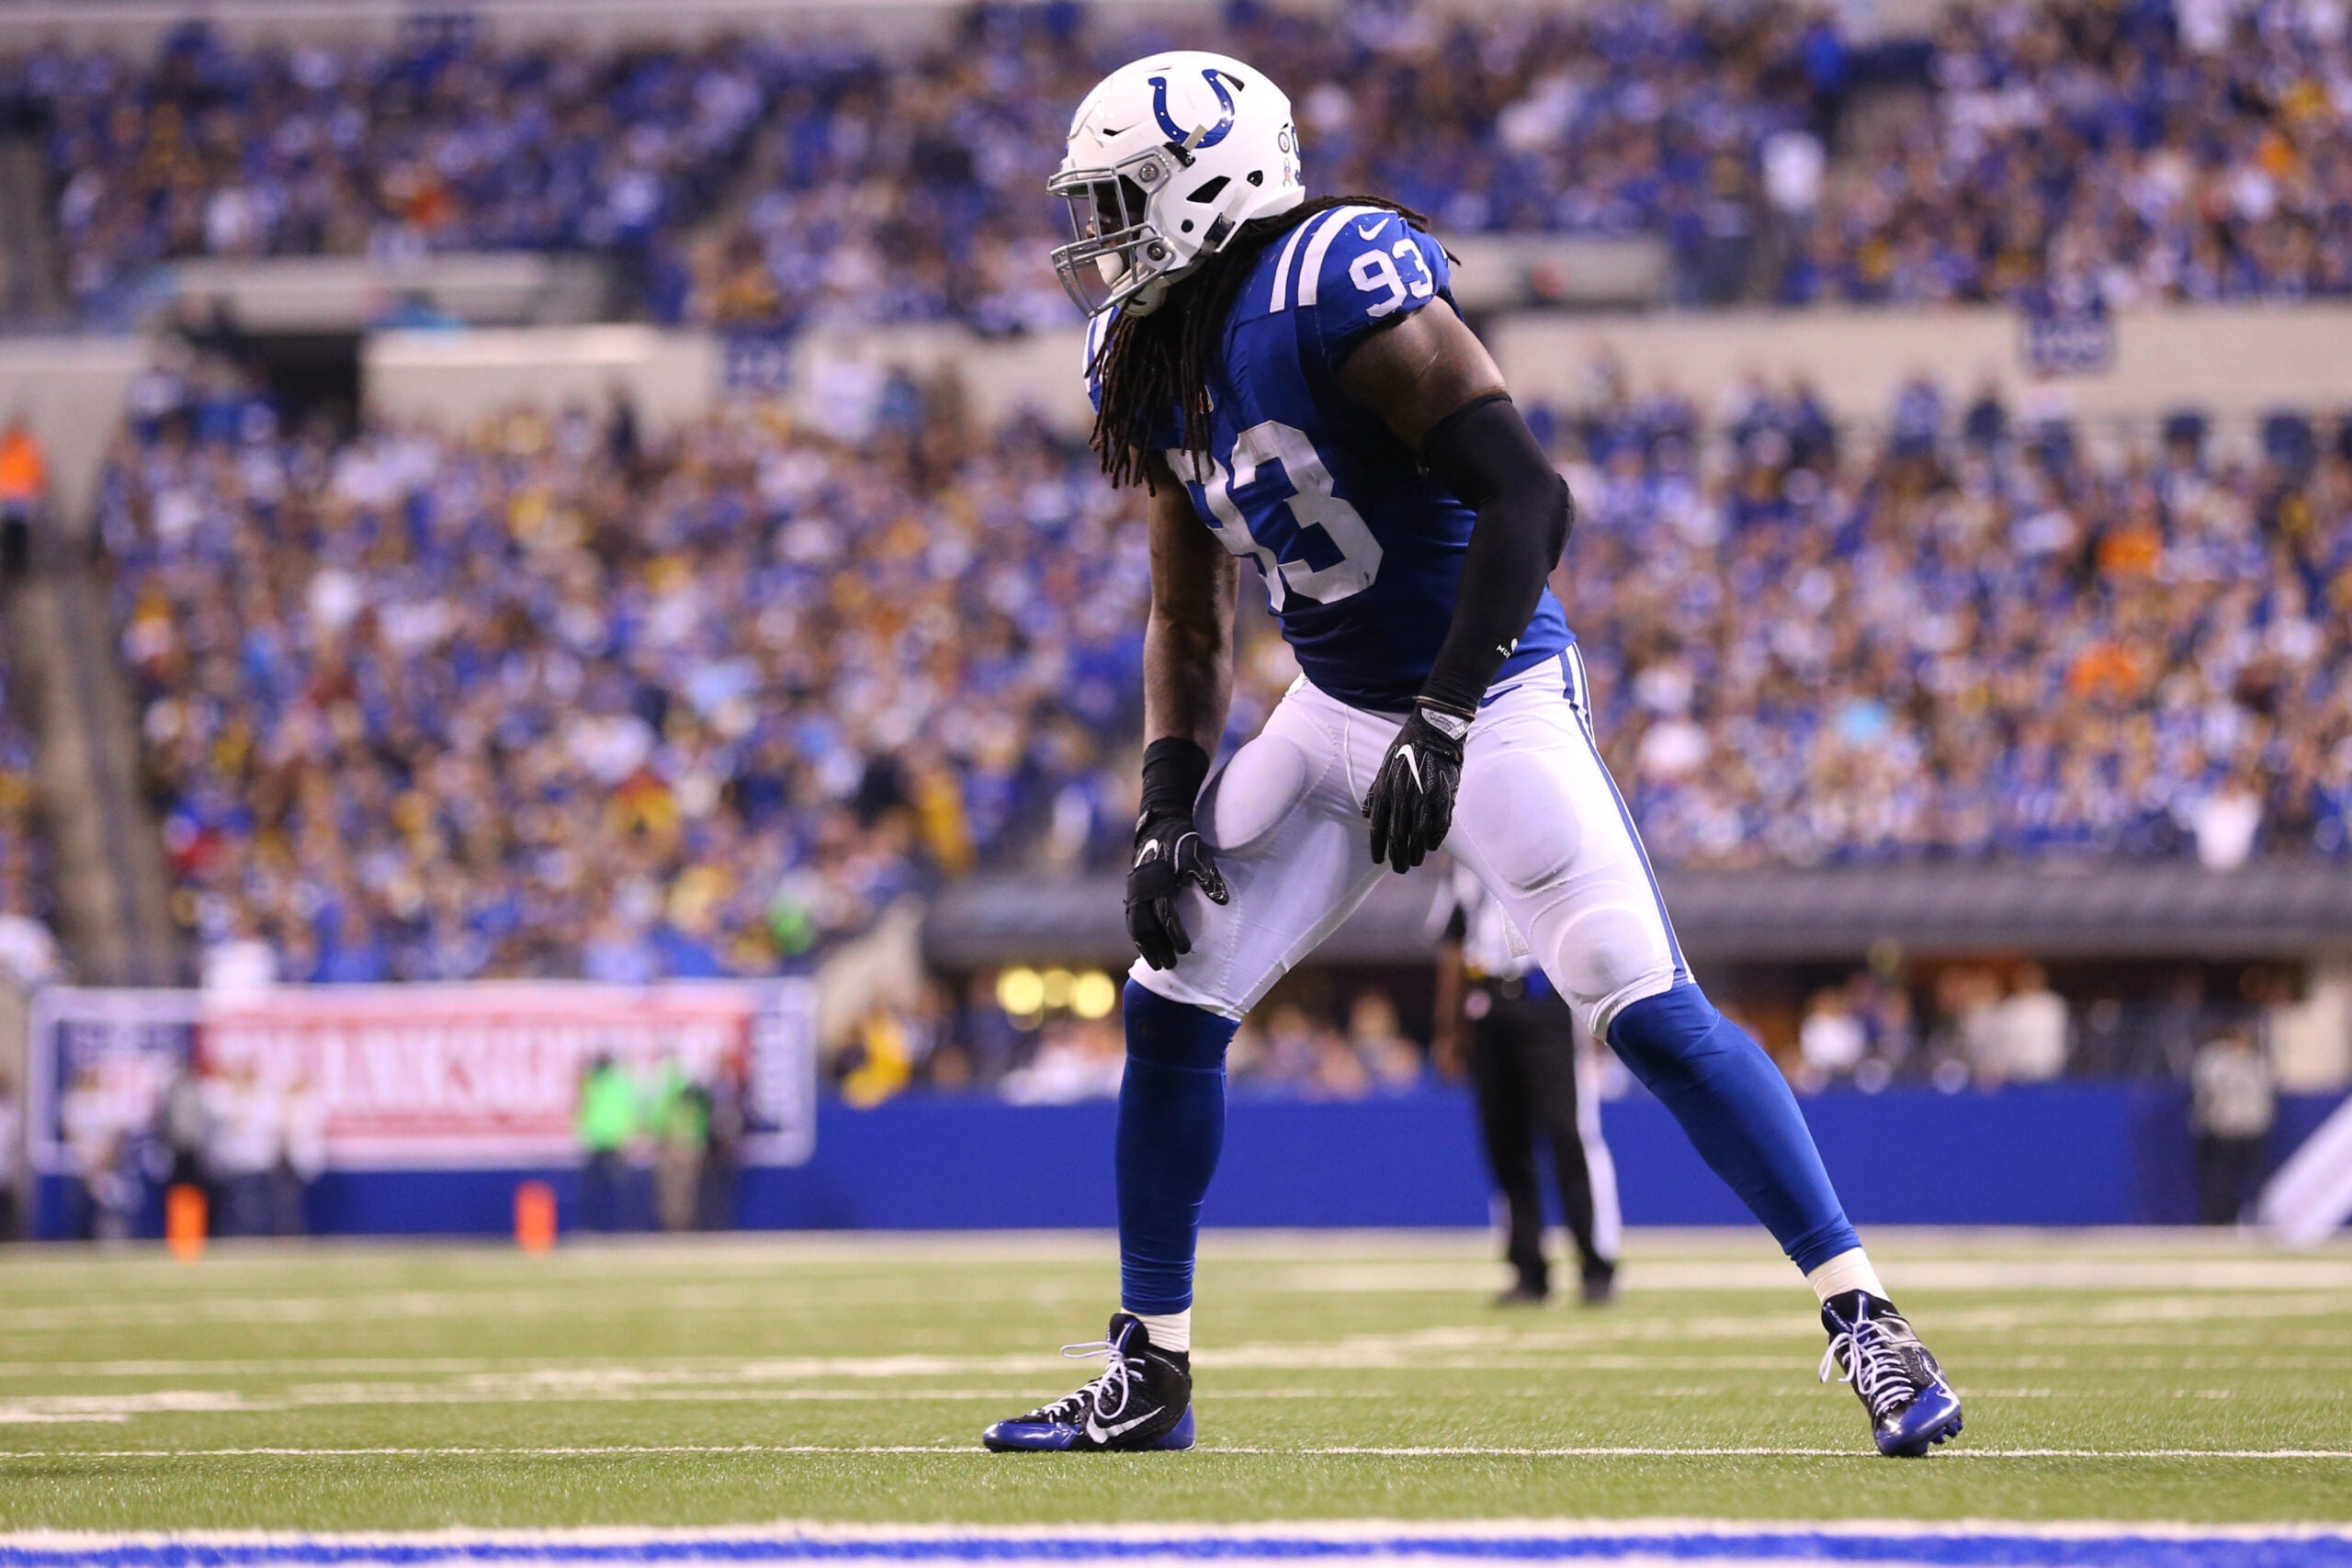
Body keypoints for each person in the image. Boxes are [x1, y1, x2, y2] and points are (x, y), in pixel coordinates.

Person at [982, 51, 1959, 1460]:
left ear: (1215, 177)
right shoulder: (1146, 354)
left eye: (1124, 199)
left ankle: (1867, 1318)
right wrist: (1162, 802)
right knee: (1168, 993)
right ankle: (1154, 1367)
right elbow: (1188, 611)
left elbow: (1527, 496)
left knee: (1640, 997)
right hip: (1328, 707)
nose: (1101, 236)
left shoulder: (1338, 280)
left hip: (1489, 691)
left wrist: (1441, 719)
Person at [1430, 864, 1620, 1306]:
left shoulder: (1547, 852)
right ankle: (1528, 1268)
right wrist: (1448, 1027)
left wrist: (1597, 1007)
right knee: (1505, 1141)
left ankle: (1596, 1263)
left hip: (1545, 1000)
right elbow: (1453, 943)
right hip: (1488, 1001)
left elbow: (1584, 930)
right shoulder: (1464, 862)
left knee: (1565, 1133)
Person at [2190, 1029, 2276, 1225]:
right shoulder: (2215, 1060)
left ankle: (2254, 1219)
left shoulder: (2257, 1063)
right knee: (2219, 1180)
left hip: (2252, 1129)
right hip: (2224, 1130)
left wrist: (2261, 1121)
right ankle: (2216, 1219)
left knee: (2254, 1180)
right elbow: (2206, 1091)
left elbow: (2265, 1097)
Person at [575, 1054, 639, 1233]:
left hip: (604, 1141)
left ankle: (599, 1226)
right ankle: (617, 1227)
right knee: (609, 1189)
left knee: (602, 1189)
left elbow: (583, 1110)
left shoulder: (594, 1084)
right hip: (608, 1141)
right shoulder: (616, 1084)